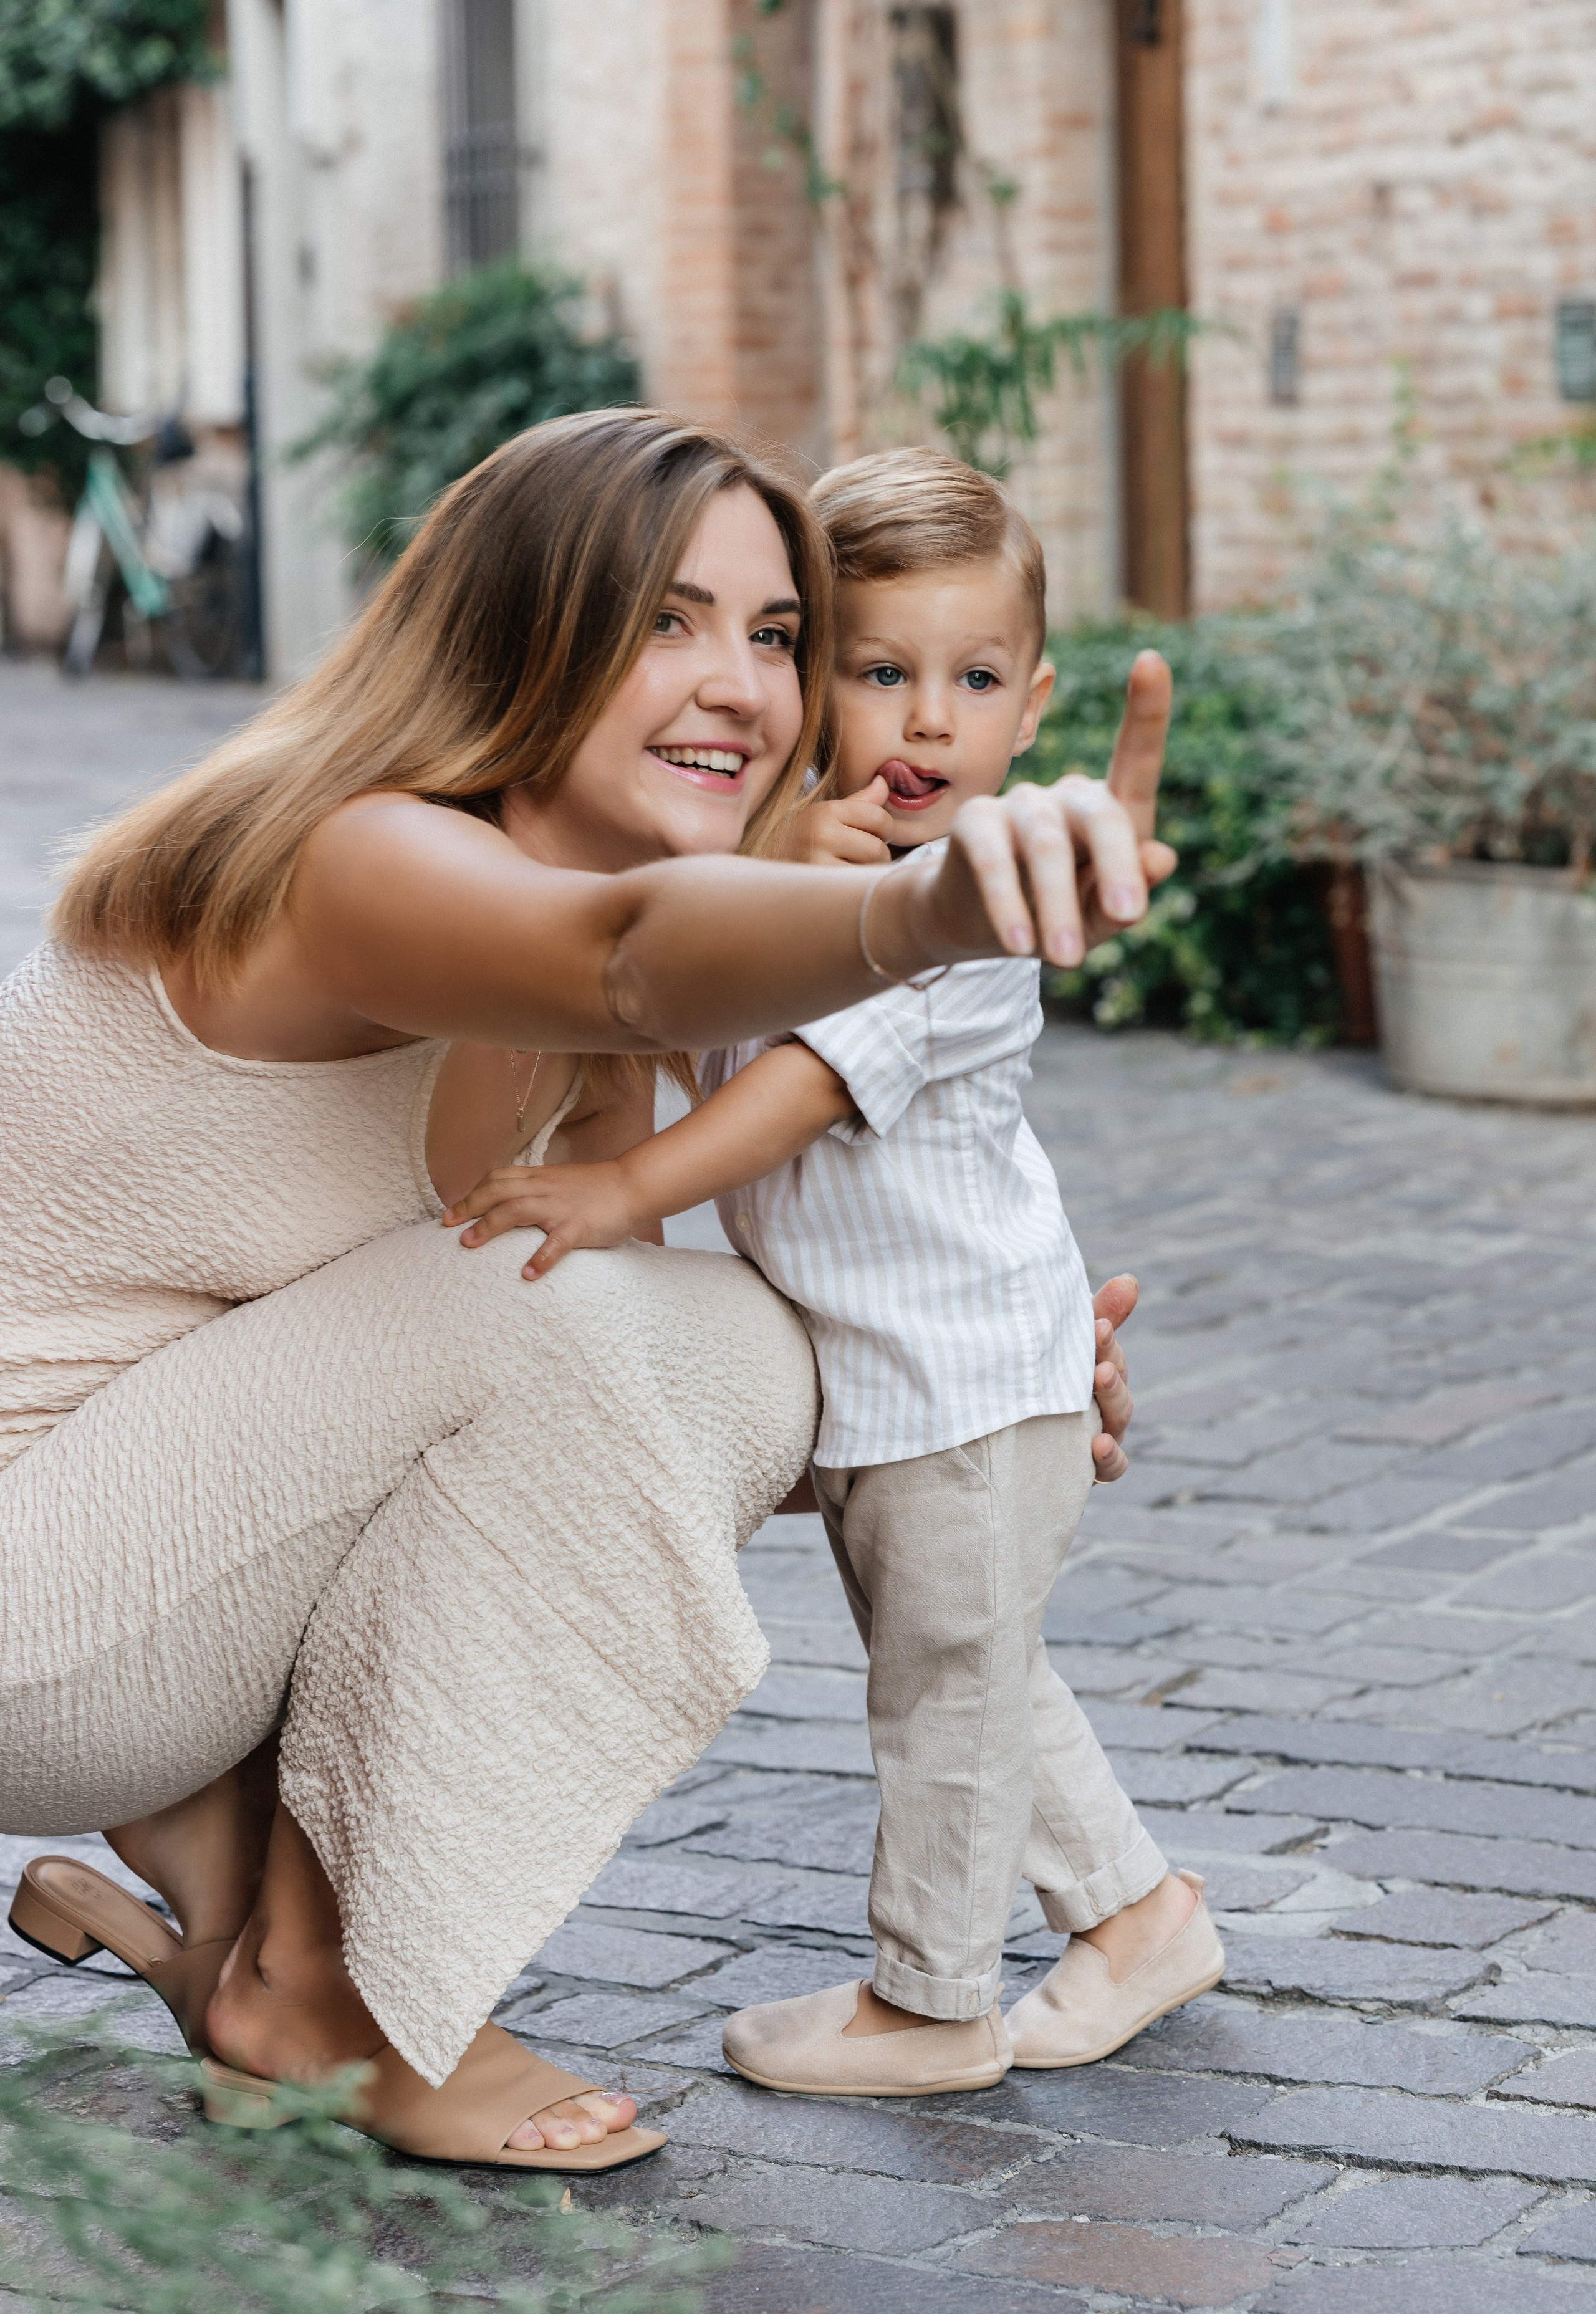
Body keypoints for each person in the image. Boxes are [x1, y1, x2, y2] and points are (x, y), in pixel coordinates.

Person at [0, 412, 1173, 2171]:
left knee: (719, 1341)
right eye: (667, 624)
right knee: (542, 1298)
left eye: (777, 637)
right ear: (520, 635)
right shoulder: (356, 857)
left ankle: (228, 1872)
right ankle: (322, 1998)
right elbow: (616, 960)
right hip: (38, 1593)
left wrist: (980, 1381)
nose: (744, 690)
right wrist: (930, 910)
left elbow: (656, 1406)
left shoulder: (611, 993)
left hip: (157, 1566)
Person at [441, 448, 1223, 2097]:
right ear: (813, 696)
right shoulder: (817, 878)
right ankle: (1141, 1919)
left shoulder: (953, 902)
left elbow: (793, 1083)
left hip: (961, 1382)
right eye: (880, 673)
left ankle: (932, 2005)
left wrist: (623, 1189)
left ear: (1036, 704)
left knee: (943, 1697)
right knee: (978, 1661)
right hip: (916, 1380)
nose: (928, 721)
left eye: (975, 680)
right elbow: (660, 999)